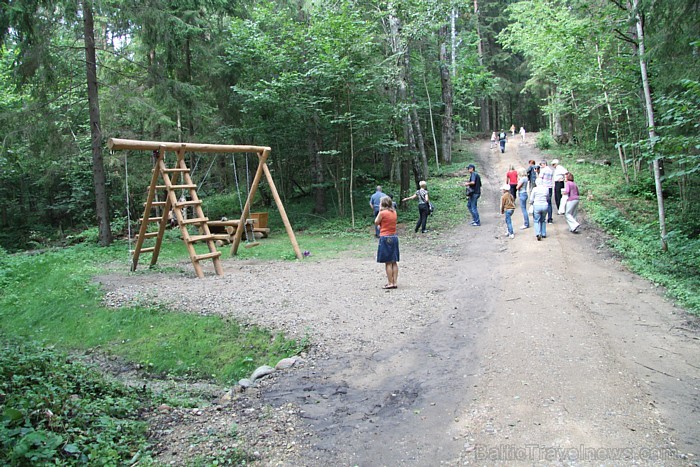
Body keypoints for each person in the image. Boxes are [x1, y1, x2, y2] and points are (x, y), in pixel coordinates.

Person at [374, 196, 399, 289]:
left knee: (388, 262)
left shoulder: (382, 213)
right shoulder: (394, 212)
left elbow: (376, 222)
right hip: (394, 237)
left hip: (385, 237)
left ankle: (390, 282)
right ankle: (395, 282)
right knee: (394, 261)